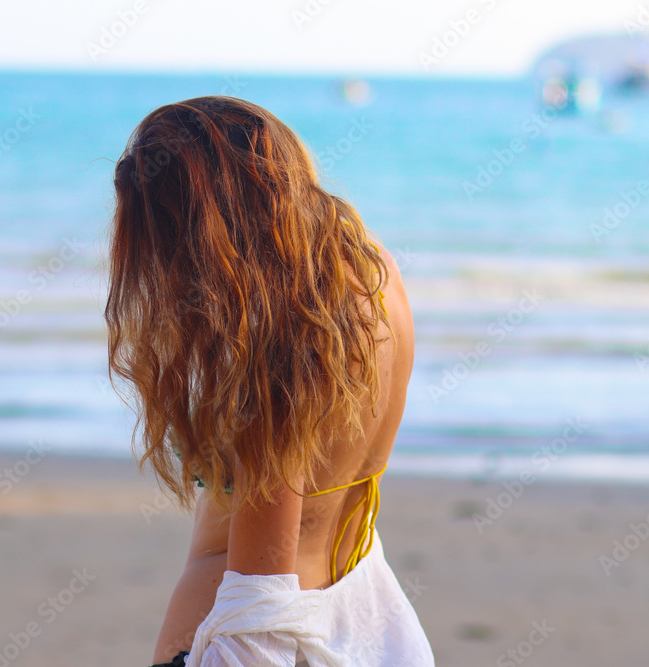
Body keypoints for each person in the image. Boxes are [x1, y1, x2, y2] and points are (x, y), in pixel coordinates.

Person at [104, 96, 433, 666]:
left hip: (265, 638)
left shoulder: (290, 344)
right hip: (358, 611)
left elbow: (261, 595)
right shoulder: (373, 269)